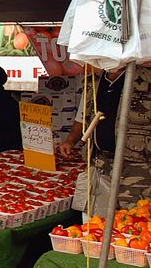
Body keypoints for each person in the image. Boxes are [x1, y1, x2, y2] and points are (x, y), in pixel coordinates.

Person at [59, 66, 151, 210]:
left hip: (136, 165)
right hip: (100, 162)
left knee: (135, 216)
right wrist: (71, 140)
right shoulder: (95, 80)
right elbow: (82, 116)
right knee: (97, 216)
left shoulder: (145, 79)